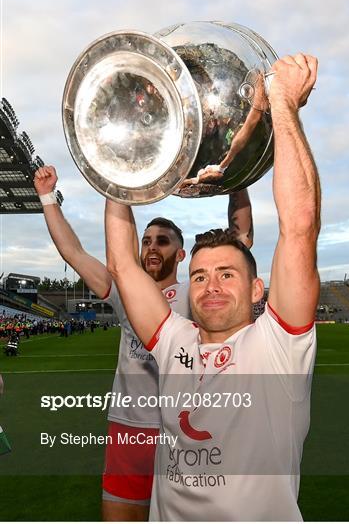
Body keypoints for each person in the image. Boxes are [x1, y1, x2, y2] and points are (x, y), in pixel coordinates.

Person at [105, 53, 320, 520]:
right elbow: (123, 264)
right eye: (200, 276)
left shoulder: (279, 347)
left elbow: (299, 226)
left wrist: (283, 107)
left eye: (227, 274)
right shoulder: (173, 342)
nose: (211, 285)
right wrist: (117, 160)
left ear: (258, 290)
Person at [34, 166, 253, 521]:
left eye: (162, 241)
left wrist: (236, 182)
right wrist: (47, 197)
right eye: (147, 240)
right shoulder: (126, 294)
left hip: (184, 433)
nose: (151, 247)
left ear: (181, 255)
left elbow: (240, 243)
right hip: (127, 428)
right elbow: (73, 253)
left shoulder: (197, 293)